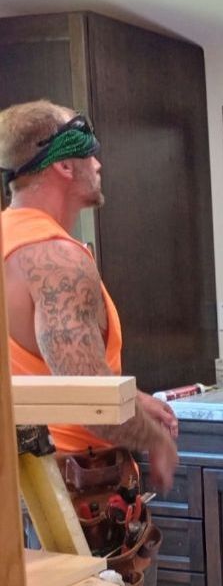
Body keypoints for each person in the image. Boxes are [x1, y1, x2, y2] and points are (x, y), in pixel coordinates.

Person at [0, 99, 178, 487]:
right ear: (64, 165)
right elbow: (90, 400)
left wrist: (132, 400)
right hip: (75, 486)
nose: (98, 164)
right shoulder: (56, 259)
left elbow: (46, 370)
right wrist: (158, 442)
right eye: (89, 151)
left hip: (22, 478)